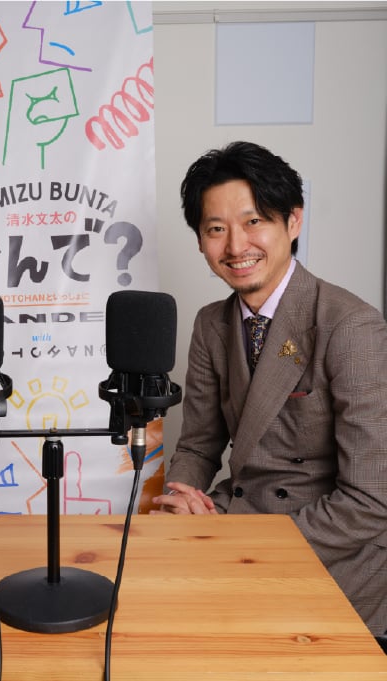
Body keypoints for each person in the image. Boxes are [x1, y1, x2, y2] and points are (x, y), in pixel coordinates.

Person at [152, 142, 387, 641]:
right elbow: (198, 445)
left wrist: (244, 542)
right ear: (200, 240)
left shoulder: (350, 325)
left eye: (254, 221)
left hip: (331, 556)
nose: (236, 246)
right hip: (233, 526)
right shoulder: (211, 324)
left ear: (293, 221)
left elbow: (371, 499)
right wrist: (182, 500)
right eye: (216, 229)